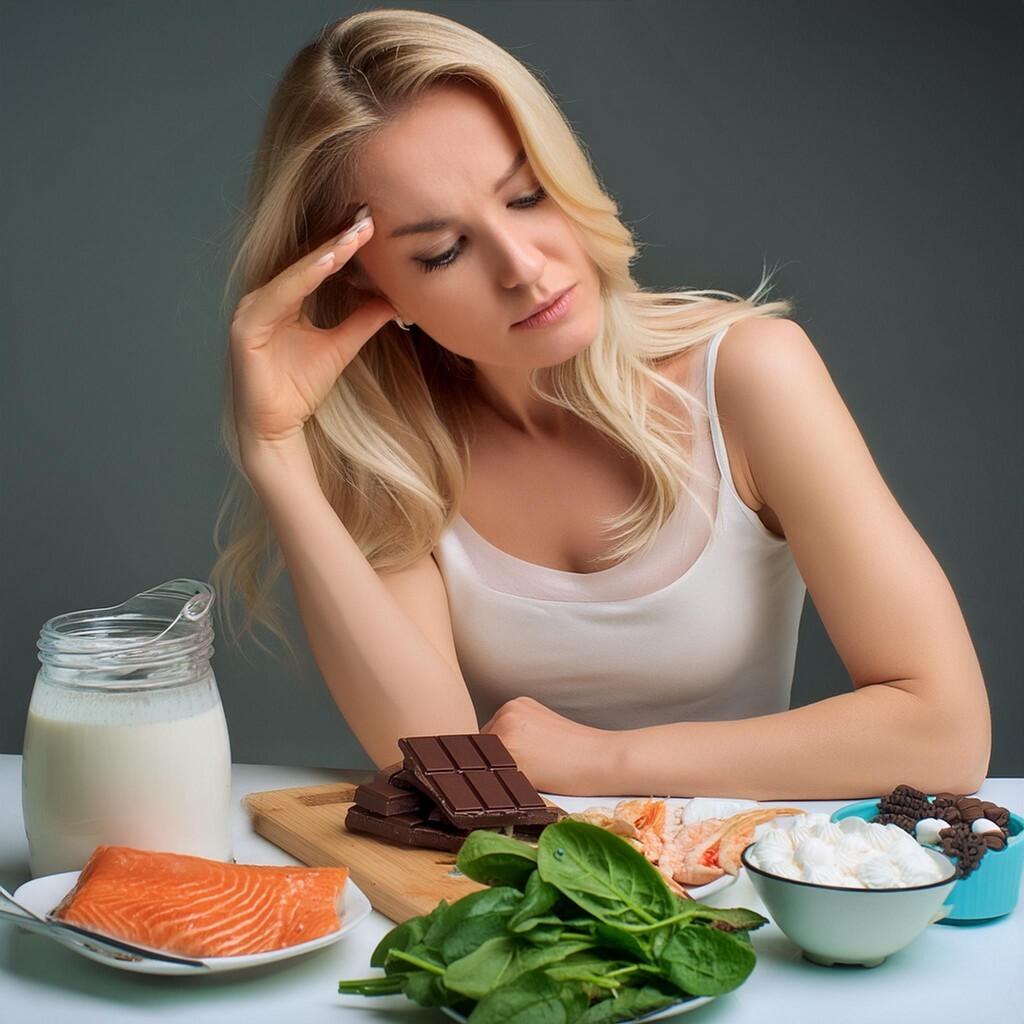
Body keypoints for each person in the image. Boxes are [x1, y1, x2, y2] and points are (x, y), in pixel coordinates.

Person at [213, 8, 990, 798]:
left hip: (735, 893)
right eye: (443, 251)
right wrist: (275, 450)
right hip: (529, 898)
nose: (522, 266)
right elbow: (442, 761)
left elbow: (944, 734)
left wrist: (602, 761)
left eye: (526, 196)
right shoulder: (401, 454)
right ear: (368, 283)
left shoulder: (749, 375)